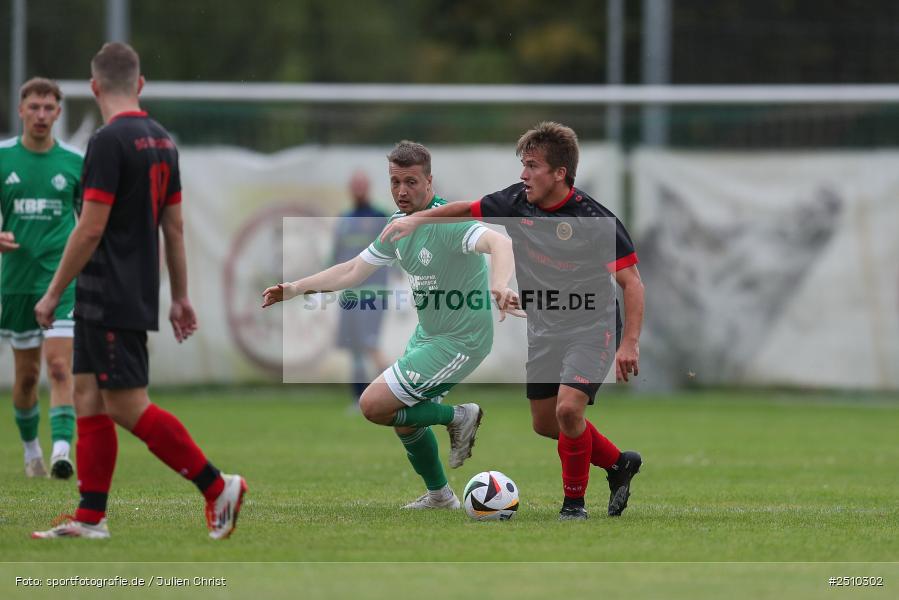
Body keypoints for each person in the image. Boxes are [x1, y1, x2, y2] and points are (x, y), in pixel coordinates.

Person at [31, 42, 246, 540]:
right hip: (126, 292)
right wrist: (181, 295)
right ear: (141, 84)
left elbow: (89, 228)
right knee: (86, 396)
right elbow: (174, 228)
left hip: (108, 293)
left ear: (93, 87)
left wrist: (52, 292)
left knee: (126, 404)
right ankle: (90, 517)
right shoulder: (162, 141)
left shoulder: (108, 141)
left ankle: (218, 487)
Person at [380, 122, 645, 520]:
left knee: (568, 411)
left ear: (559, 173)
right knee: (545, 423)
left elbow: (632, 283)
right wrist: (417, 220)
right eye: (523, 165)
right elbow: (465, 210)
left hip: (592, 326)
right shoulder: (517, 201)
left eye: (532, 166)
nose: (523, 175)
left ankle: (574, 506)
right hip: (544, 327)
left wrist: (630, 344)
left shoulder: (594, 221)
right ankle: (618, 463)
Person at [263, 141, 522, 509]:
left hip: (461, 340)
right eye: (395, 181)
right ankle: (440, 497)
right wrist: (295, 288)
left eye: (412, 181)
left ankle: (460, 416)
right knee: (404, 419)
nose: (402, 190)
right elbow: (353, 270)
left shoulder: (448, 221)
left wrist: (499, 285)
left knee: (372, 405)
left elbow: (500, 241)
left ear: (429, 182)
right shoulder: (396, 226)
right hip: (429, 337)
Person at [0, 78, 81, 479]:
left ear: (59, 113)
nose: (41, 115)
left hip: (60, 283)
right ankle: (32, 452)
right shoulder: (3, 159)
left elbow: (91, 224)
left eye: (49, 108)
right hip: (16, 283)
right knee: (28, 377)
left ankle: (62, 453)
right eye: (34, 107)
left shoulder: (74, 163)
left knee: (60, 367)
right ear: (21, 111)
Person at [332, 170, 389, 408]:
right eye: (354, 185)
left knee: (370, 345)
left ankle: (397, 393)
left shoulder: (380, 217)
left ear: (368, 187)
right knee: (355, 348)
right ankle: (359, 398)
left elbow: (392, 255)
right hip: (349, 294)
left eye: (361, 185)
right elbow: (336, 258)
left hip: (372, 294)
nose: (358, 189)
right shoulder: (344, 220)